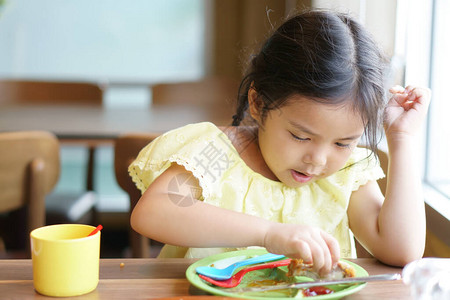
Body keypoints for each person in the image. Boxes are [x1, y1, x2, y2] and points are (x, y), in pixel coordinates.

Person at [129, 9, 430, 276]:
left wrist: (402, 140)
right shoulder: (219, 152)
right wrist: (270, 234)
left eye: (343, 143)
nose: (319, 159)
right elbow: (154, 211)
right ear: (258, 103)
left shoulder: (345, 173)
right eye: (300, 136)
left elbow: (401, 249)